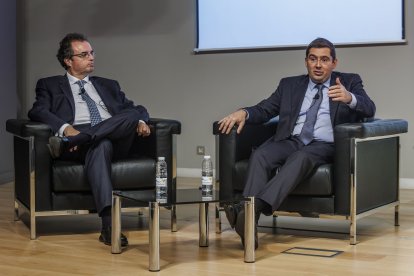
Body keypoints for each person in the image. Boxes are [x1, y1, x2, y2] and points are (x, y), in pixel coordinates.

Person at [218, 37, 376, 249]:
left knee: (302, 157)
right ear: (306, 61)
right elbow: (266, 109)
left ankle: (250, 209)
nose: (318, 65)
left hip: (324, 145)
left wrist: (350, 98)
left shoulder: (349, 81)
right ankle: (249, 227)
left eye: (324, 59)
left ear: (334, 63)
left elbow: (369, 108)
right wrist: (243, 112)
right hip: (291, 140)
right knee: (261, 155)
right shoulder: (289, 84)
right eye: (313, 59)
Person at [28, 33, 151, 247]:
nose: (91, 58)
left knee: (132, 114)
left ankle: (85, 138)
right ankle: (109, 225)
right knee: (100, 144)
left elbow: (135, 109)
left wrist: (140, 119)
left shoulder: (109, 84)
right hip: (77, 137)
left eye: (92, 53)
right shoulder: (49, 85)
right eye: (84, 54)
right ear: (68, 61)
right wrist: (66, 130)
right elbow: (37, 111)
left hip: (108, 138)